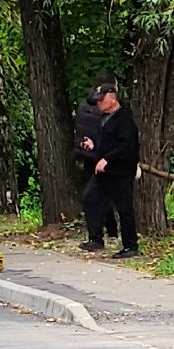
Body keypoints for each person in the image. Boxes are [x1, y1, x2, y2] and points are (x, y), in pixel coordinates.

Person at [85, 83, 140, 258]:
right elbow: (108, 143)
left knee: (124, 208)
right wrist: (94, 147)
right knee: (90, 198)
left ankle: (131, 246)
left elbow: (127, 145)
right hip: (103, 172)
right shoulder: (104, 119)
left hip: (120, 171)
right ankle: (96, 239)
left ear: (112, 97)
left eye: (101, 100)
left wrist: (107, 159)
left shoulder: (124, 118)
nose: (98, 104)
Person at [74, 73, 118, 250]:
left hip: (89, 157)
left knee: (99, 196)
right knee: (95, 197)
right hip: (103, 158)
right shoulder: (105, 109)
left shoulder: (85, 106)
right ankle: (99, 236)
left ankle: (107, 233)